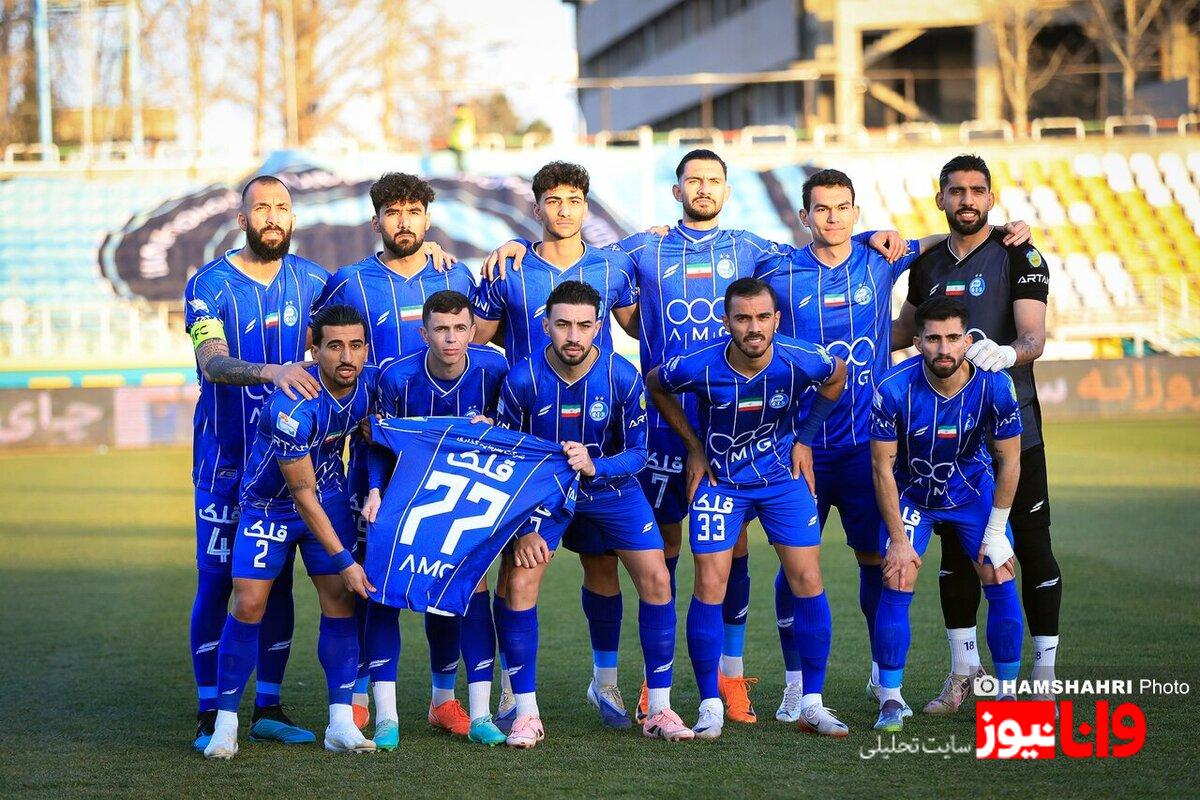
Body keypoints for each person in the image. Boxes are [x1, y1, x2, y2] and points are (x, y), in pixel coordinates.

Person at [756, 168, 1030, 722]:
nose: (832, 218)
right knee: (796, 564)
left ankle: (883, 679)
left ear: (856, 212)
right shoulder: (778, 270)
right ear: (804, 216)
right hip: (801, 445)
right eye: (821, 208)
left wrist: (1000, 231)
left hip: (869, 445)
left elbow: (939, 239)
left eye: (843, 208)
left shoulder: (879, 258)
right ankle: (795, 684)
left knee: (878, 561)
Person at [471, 161, 643, 730]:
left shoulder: (612, 265)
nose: (564, 210)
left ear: (586, 206)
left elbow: (638, 325)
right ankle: (510, 690)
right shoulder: (509, 268)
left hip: (594, 441)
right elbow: (476, 339)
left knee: (601, 565)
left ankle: (606, 683)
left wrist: (657, 239)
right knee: (516, 566)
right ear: (536, 206)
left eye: (573, 200)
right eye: (553, 200)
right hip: (526, 440)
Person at [646, 277, 849, 740]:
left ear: (776, 320)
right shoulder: (698, 364)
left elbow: (837, 377)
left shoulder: (801, 358)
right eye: (742, 318)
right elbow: (655, 384)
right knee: (709, 585)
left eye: (762, 317)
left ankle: (812, 703)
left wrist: (805, 438)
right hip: (721, 484)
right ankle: (710, 704)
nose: (753, 328)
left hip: (782, 479)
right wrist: (693, 447)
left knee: (808, 579)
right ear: (726, 322)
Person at [894, 153, 1059, 713]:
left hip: (1015, 429)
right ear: (940, 198)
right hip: (949, 439)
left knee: (1029, 548)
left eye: (977, 190)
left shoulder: (1019, 253)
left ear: (991, 197)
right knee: (959, 552)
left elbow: (1034, 337)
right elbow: (904, 330)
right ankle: (964, 671)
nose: (967, 200)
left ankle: (1043, 673)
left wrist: (1008, 353)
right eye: (957, 191)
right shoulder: (927, 264)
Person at [494, 281, 692, 747]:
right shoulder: (522, 379)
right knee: (519, 580)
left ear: (599, 328)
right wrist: (522, 529)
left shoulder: (621, 376)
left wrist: (594, 466)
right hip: (542, 495)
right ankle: (524, 711)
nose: (573, 335)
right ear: (546, 325)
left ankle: (658, 709)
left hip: (611, 489)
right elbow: (505, 457)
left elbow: (639, 453)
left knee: (657, 578)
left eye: (584, 325)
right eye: (563, 324)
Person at [317, 171, 470, 730]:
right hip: (373, 456)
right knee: (374, 578)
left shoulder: (456, 275)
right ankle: (361, 694)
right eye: (393, 212)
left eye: (413, 212)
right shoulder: (349, 282)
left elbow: (480, 346)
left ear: (428, 219)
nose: (403, 222)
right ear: (376, 219)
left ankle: (443, 698)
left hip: (442, 462)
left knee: (443, 574)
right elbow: (324, 347)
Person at [184, 175, 327, 750]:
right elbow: (211, 362)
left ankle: (268, 705)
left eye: (282, 208)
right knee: (218, 582)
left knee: (277, 582)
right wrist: (272, 371)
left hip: (284, 464)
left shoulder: (314, 282)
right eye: (261, 208)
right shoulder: (209, 284)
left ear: (293, 218)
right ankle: (209, 711)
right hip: (223, 462)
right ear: (242, 219)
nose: (273, 217)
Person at [203, 304, 378, 759]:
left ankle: (340, 722)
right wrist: (346, 561)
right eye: (334, 346)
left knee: (340, 601)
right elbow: (301, 494)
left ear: (366, 349)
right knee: (248, 602)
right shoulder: (292, 406)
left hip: (330, 495)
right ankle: (225, 724)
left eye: (355, 346)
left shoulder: (370, 384)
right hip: (271, 506)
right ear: (314, 350)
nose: (346, 357)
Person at [358, 290, 509, 749]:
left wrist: (498, 428)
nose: (451, 338)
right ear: (424, 333)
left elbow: (515, 432)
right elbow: (379, 441)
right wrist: (375, 490)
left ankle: (472, 711)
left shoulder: (494, 369)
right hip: (402, 499)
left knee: (465, 592)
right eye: (441, 329)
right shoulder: (397, 376)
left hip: (464, 503)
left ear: (473, 331)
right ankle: (386, 717)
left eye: (460, 328)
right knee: (385, 593)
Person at [869, 296, 1024, 731]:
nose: (944, 348)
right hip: (912, 495)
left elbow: (1010, 460)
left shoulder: (996, 385)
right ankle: (891, 699)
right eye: (933, 339)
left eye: (953, 338)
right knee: (898, 574)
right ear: (918, 342)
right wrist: (898, 540)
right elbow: (882, 468)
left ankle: (1007, 695)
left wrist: (996, 530)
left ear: (968, 341)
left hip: (972, 491)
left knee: (999, 570)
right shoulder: (892, 388)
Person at [448, 103, 475, 174]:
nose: (454, 111)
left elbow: (461, 131)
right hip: (458, 143)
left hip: (461, 143)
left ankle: (463, 175)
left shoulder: (464, 118)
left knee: (461, 162)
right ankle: (461, 175)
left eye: (455, 109)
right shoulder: (458, 118)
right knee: (459, 162)